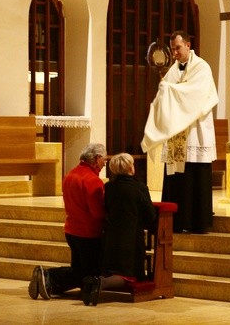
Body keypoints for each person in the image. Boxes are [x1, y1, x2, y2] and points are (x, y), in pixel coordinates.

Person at [141, 30, 219, 234]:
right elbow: (165, 92)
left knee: (195, 175)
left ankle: (197, 222)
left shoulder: (202, 67)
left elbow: (197, 94)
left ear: (188, 45)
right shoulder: (173, 70)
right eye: (172, 48)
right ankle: (176, 221)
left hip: (195, 129)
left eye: (177, 47)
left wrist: (171, 91)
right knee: (177, 178)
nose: (174, 52)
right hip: (177, 132)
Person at [28, 143, 107, 300]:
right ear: (97, 159)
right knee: (86, 272)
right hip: (88, 232)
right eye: (104, 159)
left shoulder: (70, 175)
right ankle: (49, 276)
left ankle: (50, 284)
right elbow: (97, 213)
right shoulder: (93, 181)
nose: (105, 163)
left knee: (80, 269)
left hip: (71, 230)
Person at [81, 153, 157, 306]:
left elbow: (106, 208)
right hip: (130, 239)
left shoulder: (109, 187)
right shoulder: (139, 187)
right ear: (130, 167)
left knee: (115, 269)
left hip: (111, 236)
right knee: (129, 275)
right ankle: (100, 283)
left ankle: (98, 281)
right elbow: (150, 215)